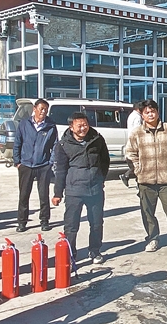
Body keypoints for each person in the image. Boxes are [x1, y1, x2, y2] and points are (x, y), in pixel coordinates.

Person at [125, 99, 167, 252]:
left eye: (153, 111)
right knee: (147, 213)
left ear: (158, 112)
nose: (150, 114)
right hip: (145, 181)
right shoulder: (137, 132)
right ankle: (152, 239)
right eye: (147, 112)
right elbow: (130, 153)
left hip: (166, 180)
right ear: (142, 115)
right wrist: (138, 170)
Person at [52, 112, 110, 264]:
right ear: (71, 127)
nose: (83, 128)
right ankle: (70, 255)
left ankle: (95, 251)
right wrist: (58, 193)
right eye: (79, 126)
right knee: (71, 226)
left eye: (85, 125)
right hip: (74, 190)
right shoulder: (63, 144)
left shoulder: (97, 139)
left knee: (96, 223)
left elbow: (105, 161)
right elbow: (60, 170)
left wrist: (100, 178)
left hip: (95, 189)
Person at [13, 98, 58, 232]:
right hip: (26, 165)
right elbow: (17, 142)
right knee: (24, 195)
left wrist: (50, 162)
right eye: (41, 109)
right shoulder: (24, 124)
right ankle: (22, 222)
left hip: (43, 165)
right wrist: (17, 161)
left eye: (46, 110)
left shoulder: (50, 126)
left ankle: (44, 221)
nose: (43, 112)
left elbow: (55, 145)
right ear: (34, 109)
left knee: (44, 195)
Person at [120, 103, 144, 188]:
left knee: (136, 164)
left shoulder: (131, 115)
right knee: (139, 164)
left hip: (132, 141)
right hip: (136, 142)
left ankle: (127, 176)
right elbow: (138, 130)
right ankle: (138, 182)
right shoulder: (137, 117)